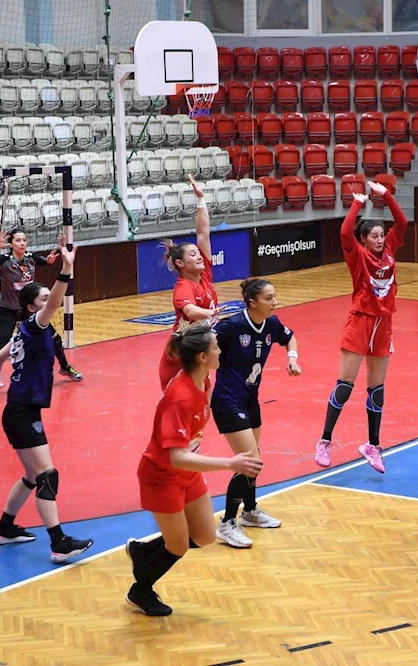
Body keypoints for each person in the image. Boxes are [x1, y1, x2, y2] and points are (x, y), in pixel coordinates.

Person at [127, 325, 264, 616]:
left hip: (188, 472)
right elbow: (177, 457)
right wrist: (230, 463)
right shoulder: (180, 396)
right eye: (216, 347)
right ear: (202, 356)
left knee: (204, 536)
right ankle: (140, 591)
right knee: (177, 546)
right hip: (162, 476)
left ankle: (143, 551)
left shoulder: (204, 380)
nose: (220, 351)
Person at [0, 243, 93, 564]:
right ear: (32, 307)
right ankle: (59, 542)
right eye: (43, 299)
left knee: (33, 476)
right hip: (21, 412)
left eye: (48, 297)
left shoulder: (23, 330)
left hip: (18, 409)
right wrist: (66, 269)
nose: (49, 302)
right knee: (47, 474)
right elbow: (57, 300)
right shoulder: (35, 325)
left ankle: (4, 528)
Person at [314, 181, 408, 473]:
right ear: (364, 240)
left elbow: (402, 223)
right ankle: (325, 440)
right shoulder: (356, 254)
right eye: (374, 236)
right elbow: (345, 232)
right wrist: (356, 203)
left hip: (384, 324)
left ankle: (373, 446)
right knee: (345, 385)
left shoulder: (389, 248)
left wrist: (386, 196)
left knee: (377, 388)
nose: (380, 239)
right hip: (361, 320)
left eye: (381, 235)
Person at [211, 278, 300, 548]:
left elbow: (290, 337)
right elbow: (202, 347)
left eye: (275, 296)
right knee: (251, 460)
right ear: (252, 303)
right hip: (227, 400)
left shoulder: (271, 323)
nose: (275, 302)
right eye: (269, 298)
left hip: (250, 400)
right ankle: (227, 522)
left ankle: (249, 511)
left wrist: (292, 358)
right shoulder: (231, 326)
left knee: (254, 457)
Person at [0, 229, 82, 396]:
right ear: (11, 244)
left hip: (29, 310)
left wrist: (50, 261)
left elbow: (45, 261)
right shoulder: (2, 261)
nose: (22, 243)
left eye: (24, 240)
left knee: (55, 339)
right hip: (7, 310)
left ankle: (65, 367)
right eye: (18, 240)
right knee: (2, 345)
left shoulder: (31, 258)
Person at [158, 175, 221, 391]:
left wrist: (201, 200)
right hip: (179, 355)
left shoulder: (205, 274)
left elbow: (203, 234)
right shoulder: (183, 287)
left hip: (197, 349)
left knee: (205, 397)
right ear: (180, 263)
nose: (199, 256)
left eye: (198, 253)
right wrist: (209, 313)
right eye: (193, 254)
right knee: (181, 403)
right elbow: (190, 310)